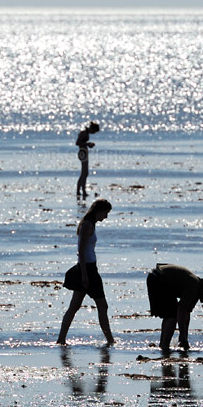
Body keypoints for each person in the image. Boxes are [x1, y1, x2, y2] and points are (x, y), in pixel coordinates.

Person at [57, 199, 115, 345]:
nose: (106, 217)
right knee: (102, 305)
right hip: (87, 270)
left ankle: (61, 339)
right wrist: (84, 275)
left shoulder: (91, 224)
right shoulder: (87, 225)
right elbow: (81, 251)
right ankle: (110, 340)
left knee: (75, 306)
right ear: (99, 211)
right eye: (105, 213)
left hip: (89, 268)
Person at [146, 263, 203, 351]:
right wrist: (182, 336)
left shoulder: (197, 289)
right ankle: (164, 346)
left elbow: (186, 315)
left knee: (171, 314)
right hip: (158, 279)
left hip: (159, 278)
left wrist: (184, 337)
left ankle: (163, 345)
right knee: (172, 315)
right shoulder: (194, 287)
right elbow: (181, 310)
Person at [75, 122, 100, 198]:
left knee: (84, 173)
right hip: (82, 152)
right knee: (84, 173)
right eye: (94, 131)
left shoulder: (86, 133)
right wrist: (87, 144)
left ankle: (79, 191)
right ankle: (82, 191)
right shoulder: (83, 133)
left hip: (84, 151)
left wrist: (88, 145)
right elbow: (78, 142)